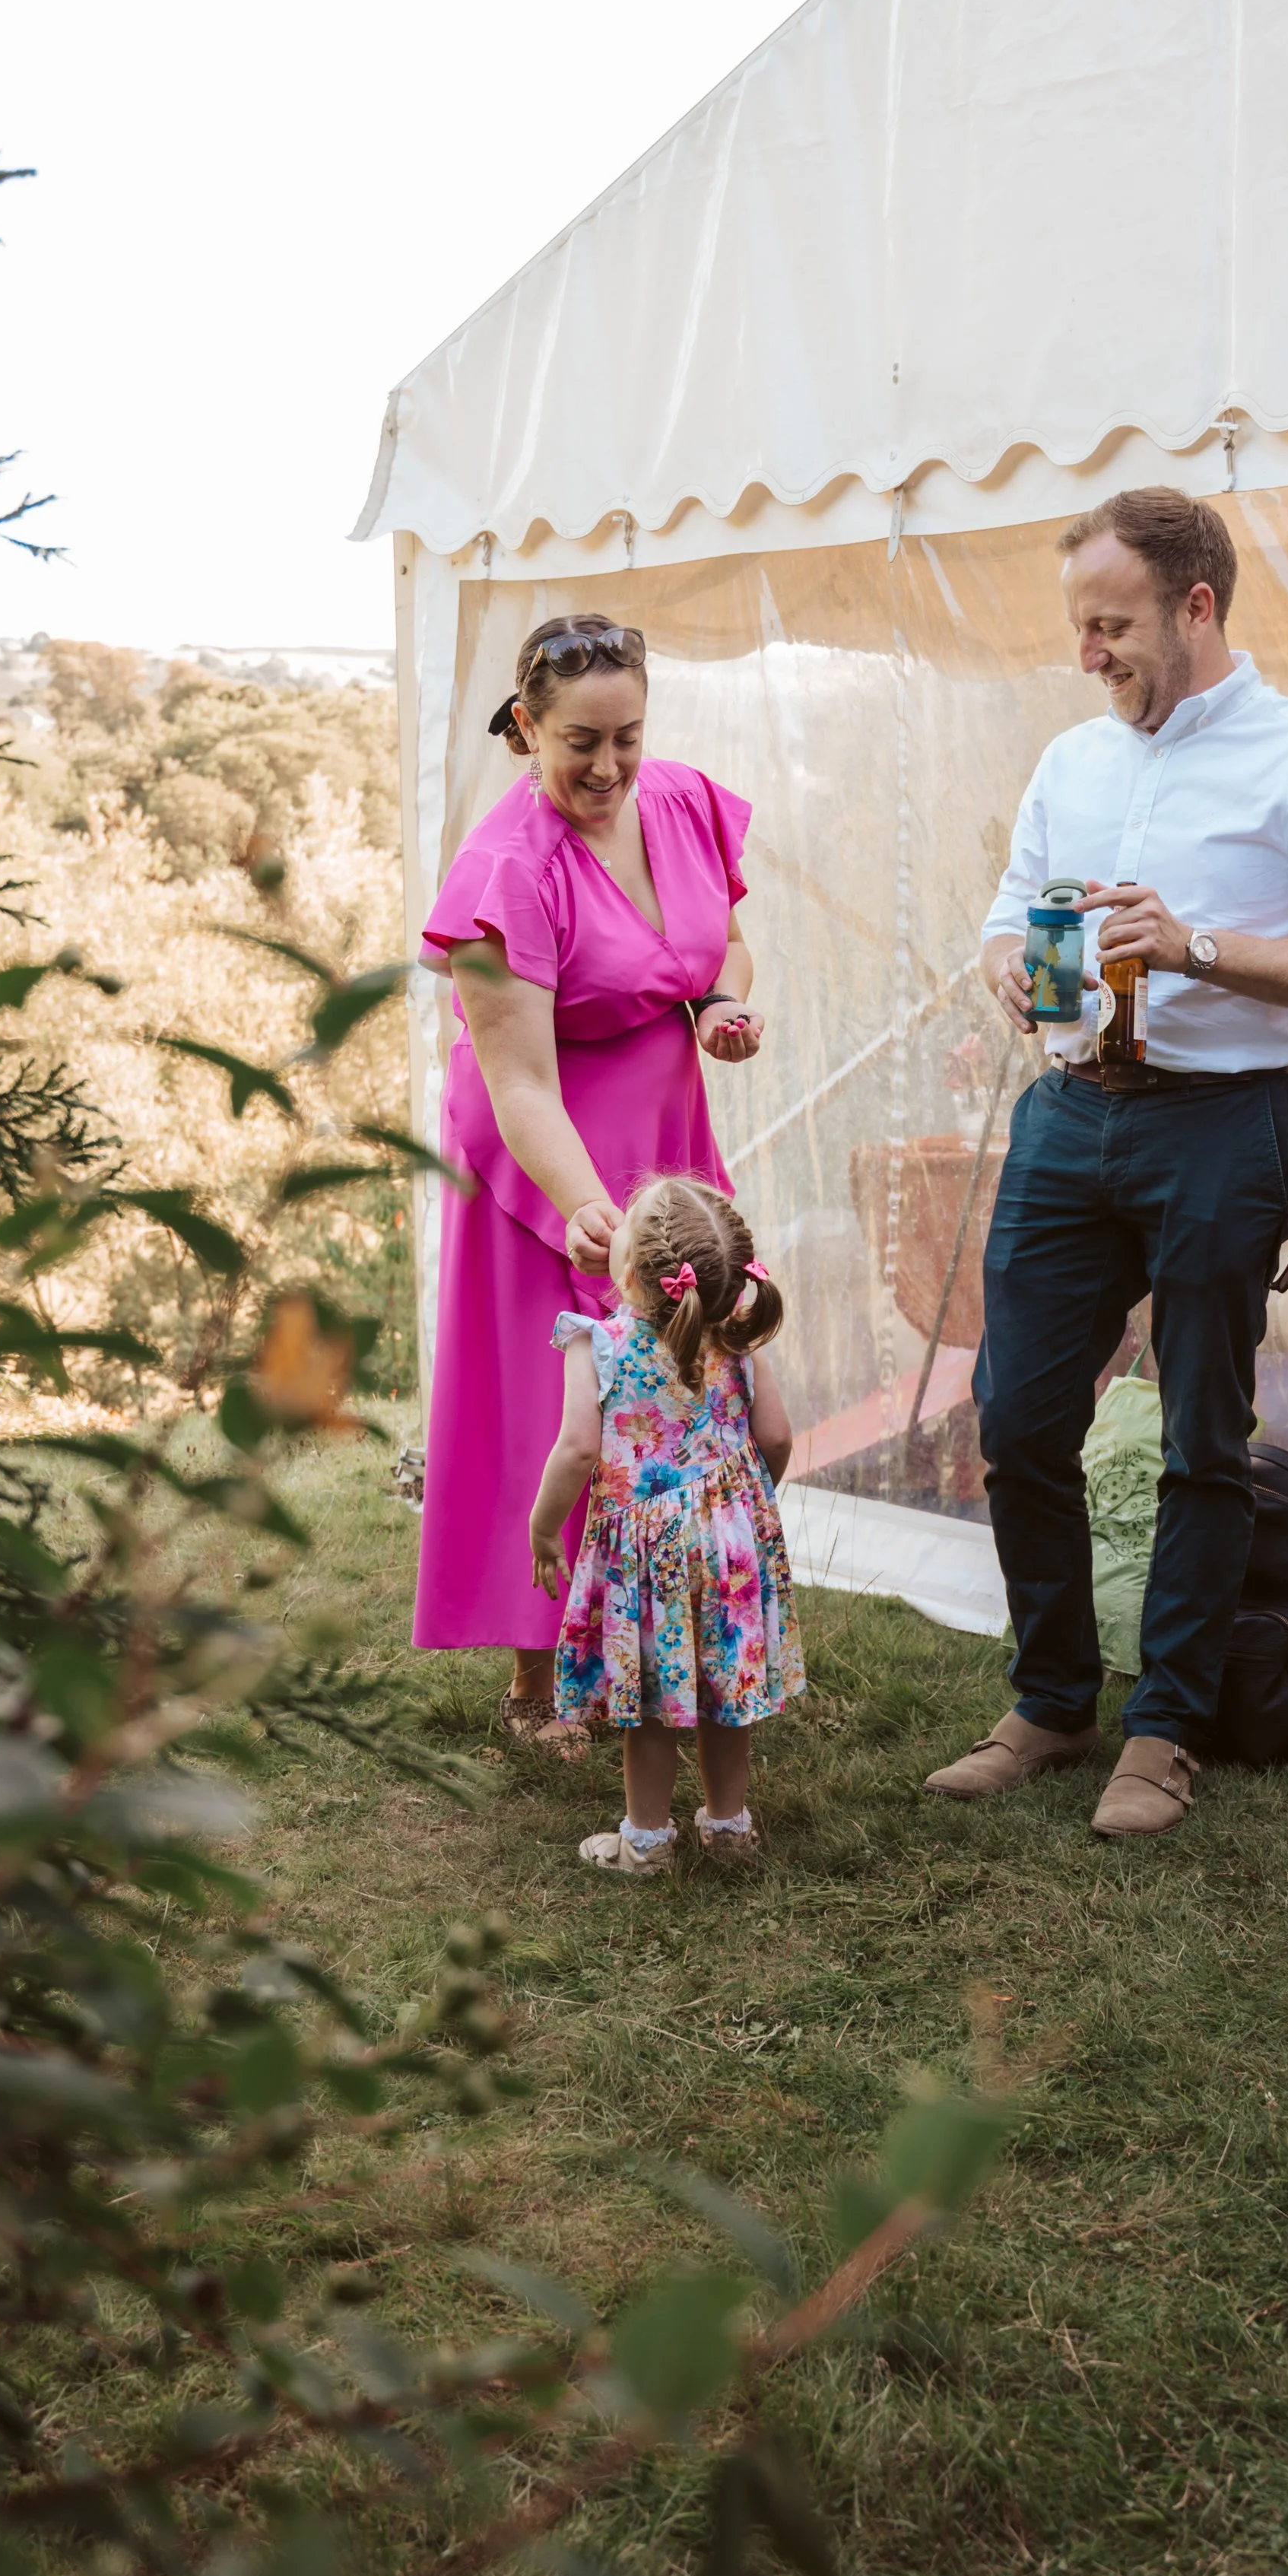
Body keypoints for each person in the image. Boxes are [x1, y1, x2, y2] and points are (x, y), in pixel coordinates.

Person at [925, 488, 1288, 1837]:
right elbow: (1003, 919)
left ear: (1197, 607)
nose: (1090, 653)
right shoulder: (1071, 764)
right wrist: (1011, 975)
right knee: (1019, 1418)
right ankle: (1053, 1695)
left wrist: (1198, 944)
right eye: (1081, 627)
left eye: (1113, 624)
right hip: (1071, 1116)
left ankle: (1168, 1726)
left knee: (1204, 1432)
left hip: (1225, 1119)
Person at [414, 615, 763, 1744]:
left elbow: (727, 943)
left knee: (680, 1384)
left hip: (669, 1132)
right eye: (579, 743)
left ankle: (682, 1631)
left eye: (628, 736)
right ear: (525, 726)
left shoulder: (680, 801)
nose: (608, 767)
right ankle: (536, 1677)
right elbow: (517, 1084)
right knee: (552, 1404)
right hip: (546, 1155)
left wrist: (718, 1003)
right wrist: (585, 1212)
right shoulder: (503, 870)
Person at [528, 1177, 802, 1877]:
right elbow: (775, 1436)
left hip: (647, 1559)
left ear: (627, 1268)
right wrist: (744, 1508)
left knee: (648, 1699)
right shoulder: (740, 1341)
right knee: (725, 1694)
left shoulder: (597, 1344)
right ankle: (728, 1829)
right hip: (731, 1549)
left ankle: (645, 1845)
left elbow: (578, 1450)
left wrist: (543, 1526)